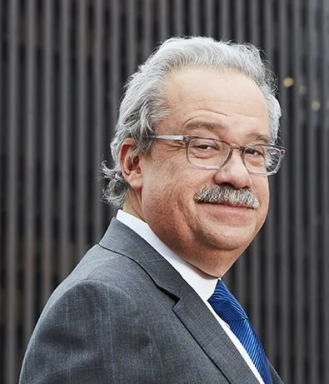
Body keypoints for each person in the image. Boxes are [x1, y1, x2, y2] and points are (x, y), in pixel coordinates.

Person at [19, 36, 285, 383]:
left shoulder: (203, 300)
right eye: (204, 145)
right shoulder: (104, 306)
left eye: (253, 152)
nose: (236, 175)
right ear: (134, 162)